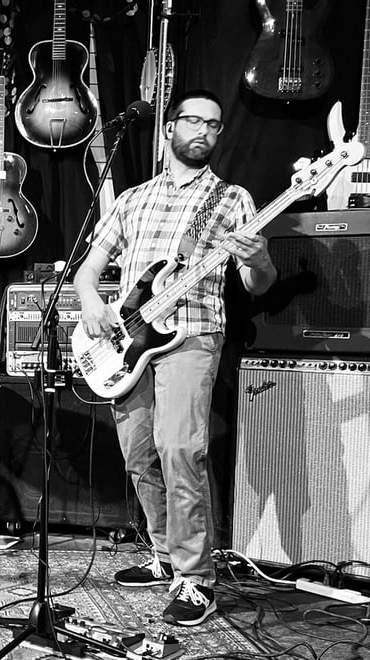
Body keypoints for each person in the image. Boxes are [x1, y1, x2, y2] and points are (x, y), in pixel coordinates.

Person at [73, 89, 277, 626]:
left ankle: (195, 578)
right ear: (169, 128)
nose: (204, 131)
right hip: (129, 341)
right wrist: (91, 301)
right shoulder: (132, 199)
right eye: (194, 121)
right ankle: (164, 553)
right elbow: (89, 269)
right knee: (139, 455)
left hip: (192, 337)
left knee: (180, 450)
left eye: (214, 124)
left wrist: (259, 260)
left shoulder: (230, 199)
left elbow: (256, 283)